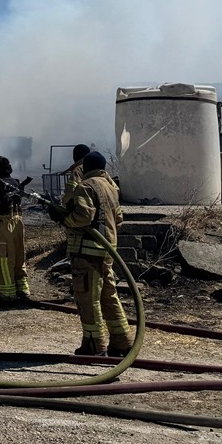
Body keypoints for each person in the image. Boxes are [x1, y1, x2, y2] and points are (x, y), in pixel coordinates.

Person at [54, 150, 133, 357]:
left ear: (86, 168)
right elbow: (119, 219)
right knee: (109, 296)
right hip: (107, 251)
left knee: (88, 299)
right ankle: (122, 342)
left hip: (87, 252)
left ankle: (94, 345)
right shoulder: (111, 187)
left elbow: (83, 216)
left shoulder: (85, 186)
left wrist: (64, 219)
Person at [0, 155, 31, 303]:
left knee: (3, 260)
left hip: (3, 225)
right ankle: (22, 289)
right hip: (18, 222)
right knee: (18, 256)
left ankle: (8, 295)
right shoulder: (15, 182)